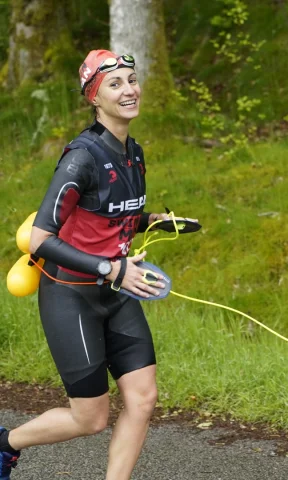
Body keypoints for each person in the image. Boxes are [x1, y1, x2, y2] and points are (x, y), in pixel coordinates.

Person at [0, 50, 174, 480]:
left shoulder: (133, 152)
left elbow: (116, 216)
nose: (129, 90)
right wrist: (112, 269)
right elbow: (42, 239)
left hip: (115, 291)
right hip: (71, 296)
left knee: (143, 398)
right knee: (91, 418)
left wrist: (156, 222)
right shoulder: (81, 157)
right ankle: (5, 445)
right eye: (115, 84)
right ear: (95, 98)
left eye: (132, 80)